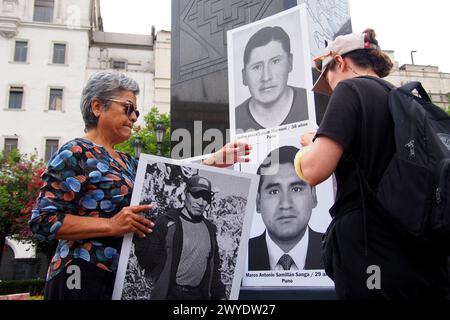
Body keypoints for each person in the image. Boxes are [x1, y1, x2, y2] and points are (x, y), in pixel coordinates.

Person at [29, 71, 251, 300]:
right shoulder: (75, 153)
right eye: (128, 108)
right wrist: (111, 225)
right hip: (82, 277)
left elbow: (172, 178)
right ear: (97, 107)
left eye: (136, 111)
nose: (134, 117)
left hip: (117, 283)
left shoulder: (128, 162)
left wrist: (213, 161)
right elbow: (43, 221)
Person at [296, 29, 450, 299]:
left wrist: (310, 144)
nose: (331, 88)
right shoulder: (404, 99)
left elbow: (313, 170)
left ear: (340, 62)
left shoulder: (350, 88)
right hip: (423, 253)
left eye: (329, 77)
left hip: (372, 247)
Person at [134, 175, 226, 300]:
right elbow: (148, 261)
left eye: (205, 198)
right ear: (185, 194)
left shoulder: (210, 229)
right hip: (170, 294)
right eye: (196, 195)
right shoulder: (167, 222)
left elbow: (213, 269)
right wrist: (140, 236)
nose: (200, 202)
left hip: (198, 296)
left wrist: (220, 296)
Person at [248, 146, 323, 271]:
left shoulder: (339, 251)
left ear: (313, 196)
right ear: (258, 202)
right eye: (274, 192)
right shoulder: (240, 255)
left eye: (296, 189)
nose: (285, 204)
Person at [236, 26, 308, 132]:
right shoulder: (235, 119)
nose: (266, 77)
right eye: (256, 67)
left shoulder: (309, 102)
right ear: (244, 76)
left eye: (275, 62)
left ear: (290, 62)